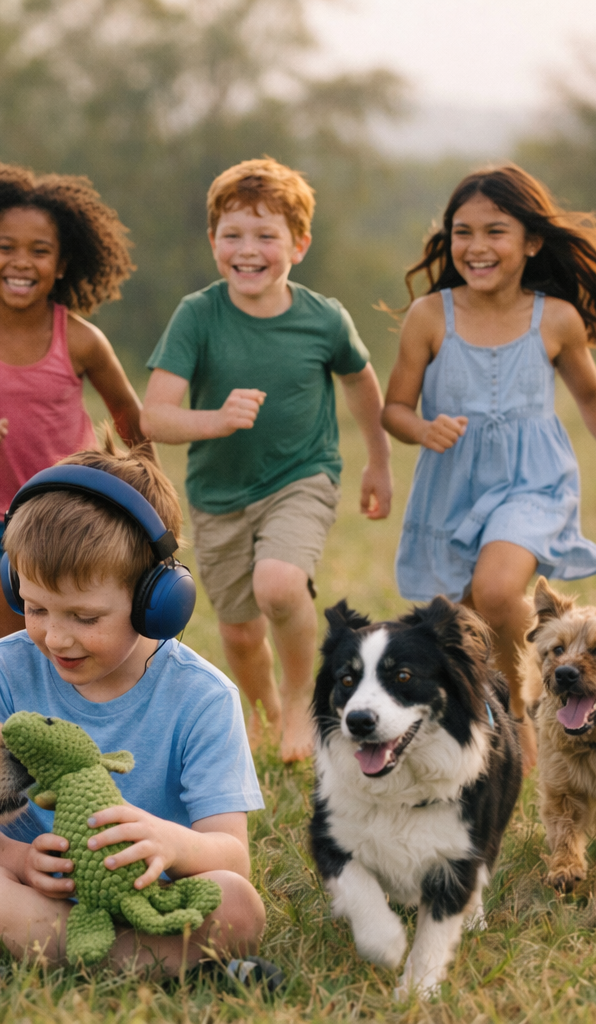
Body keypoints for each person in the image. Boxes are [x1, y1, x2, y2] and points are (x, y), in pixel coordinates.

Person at [0, 440, 273, 981]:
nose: (55, 637)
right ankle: (148, 965)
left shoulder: (204, 697)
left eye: (85, 617)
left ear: (157, 601)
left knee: (238, 905)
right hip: (40, 895)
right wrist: (19, 861)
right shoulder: (2, 668)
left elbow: (231, 854)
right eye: (35, 608)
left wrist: (169, 843)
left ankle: (39, 959)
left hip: (155, 902)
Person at [382, 163, 596, 772]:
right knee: (466, 622)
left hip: (534, 483)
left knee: (503, 589)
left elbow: (591, 396)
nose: (476, 247)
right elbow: (393, 409)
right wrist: (423, 427)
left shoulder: (554, 318)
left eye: (495, 231)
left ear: (531, 241)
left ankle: (531, 724)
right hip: (453, 487)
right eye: (463, 232)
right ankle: (486, 720)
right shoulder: (430, 317)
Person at [140, 157, 392, 763]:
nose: (247, 250)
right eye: (233, 235)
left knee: (278, 587)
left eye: (266, 235)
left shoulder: (323, 318)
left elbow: (361, 384)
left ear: (298, 244)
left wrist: (377, 462)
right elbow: (155, 417)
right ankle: (262, 715)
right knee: (239, 631)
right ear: (213, 242)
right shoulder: (198, 315)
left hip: (301, 477)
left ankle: (304, 699)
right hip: (218, 492)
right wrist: (216, 421)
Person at [0, 164, 146, 643]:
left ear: (62, 265)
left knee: (77, 642)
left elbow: (131, 420)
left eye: (40, 251)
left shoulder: (81, 339)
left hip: (74, 513)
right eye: (5, 248)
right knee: (11, 650)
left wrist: (150, 500)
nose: (21, 262)